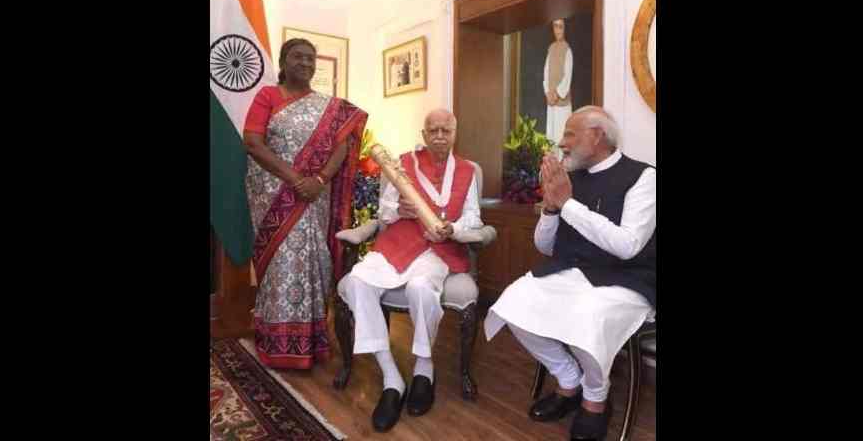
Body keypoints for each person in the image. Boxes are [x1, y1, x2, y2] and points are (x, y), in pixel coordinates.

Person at [483, 106, 656, 441]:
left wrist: (568, 204)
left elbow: (628, 245)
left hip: (628, 279)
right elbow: (546, 247)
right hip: (574, 272)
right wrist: (550, 207)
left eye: (570, 135)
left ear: (598, 136)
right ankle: (568, 380)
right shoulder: (569, 180)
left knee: (588, 315)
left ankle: (595, 400)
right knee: (514, 301)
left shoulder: (644, 177)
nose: (562, 143)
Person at [338, 109, 483, 432]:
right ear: (424, 133)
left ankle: (424, 369)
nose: (440, 136)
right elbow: (384, 212)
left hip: (437, 249)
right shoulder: (402, 163)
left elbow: (473, 219)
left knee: (420, 288)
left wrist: (453, 229)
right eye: (433, 130)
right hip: (398, 242)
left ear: (454, 133)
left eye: (446, 130)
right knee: (358, 281)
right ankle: (392, 377)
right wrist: (398, 208)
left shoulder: (467, 171)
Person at [242, 38, 367, 369]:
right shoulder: (267, 96)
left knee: (314, 264)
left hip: (314, 199)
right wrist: (295, 179)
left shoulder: (329, 105)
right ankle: (276, 342)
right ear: (283, 63)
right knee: (282, 266)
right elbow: (253, 142)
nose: (306, 63)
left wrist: (320, 180)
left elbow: (343, 142)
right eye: (298, 56)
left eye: (311, 58)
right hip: (275, 199)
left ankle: (311, 342)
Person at [544, 18, 574, 144]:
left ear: (565, 29)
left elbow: (567, 77)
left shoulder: (567, 50)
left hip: (562, 101)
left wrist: (557, 94)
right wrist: (548, 93)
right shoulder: (550, 49)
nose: (558, 30)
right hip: (551, 101)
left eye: (560, 26)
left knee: (561, 135)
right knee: (551, 136)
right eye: (555, 26)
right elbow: (546, 72)